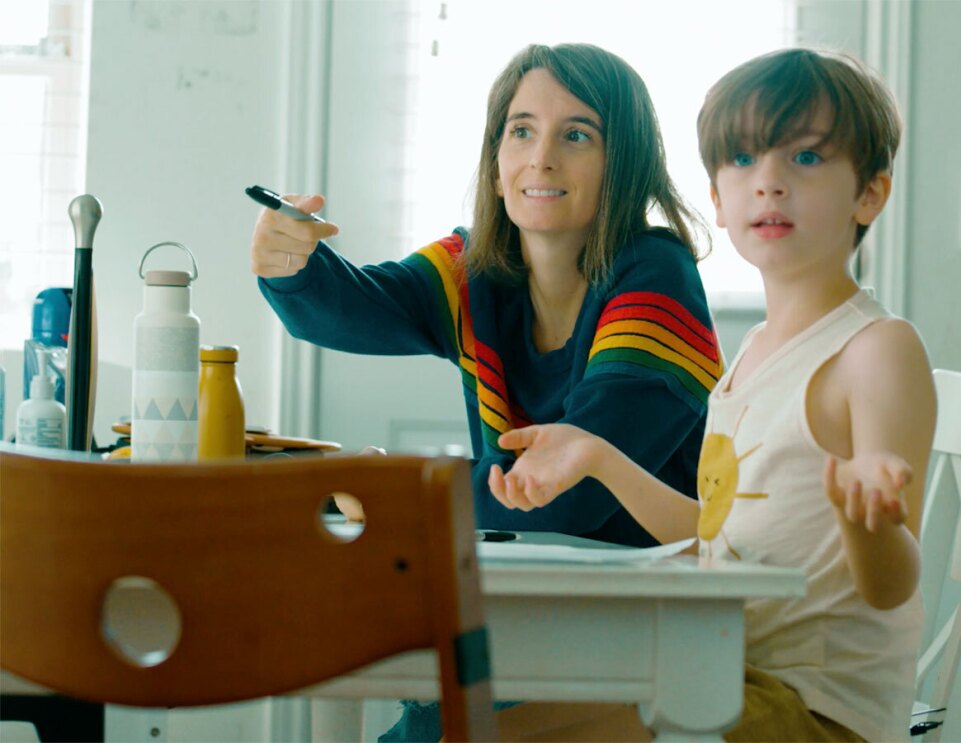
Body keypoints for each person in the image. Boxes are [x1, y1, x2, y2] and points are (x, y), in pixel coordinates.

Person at [251, 43, 720, 742]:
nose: (542, 158)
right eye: (521, 130)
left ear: (623, 165)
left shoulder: (657, 277)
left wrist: (392, 494)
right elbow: (348, 305)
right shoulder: (476, 269)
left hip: (640, 627)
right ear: (496, 162)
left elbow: (570, 495)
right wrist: (290, 261)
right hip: (525, 606)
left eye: (577, 135)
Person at [486, 48, 936, 742]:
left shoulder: (876, 350)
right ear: (719, 200)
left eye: (806, 158)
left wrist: (867, 518)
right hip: (724, 672)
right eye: (744, 160)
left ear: (870, 193)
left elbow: (891, 584)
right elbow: (713, 536)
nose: (770, 183)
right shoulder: (752, 356)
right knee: (478, 725)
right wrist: (599, 456)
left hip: (810, 710)